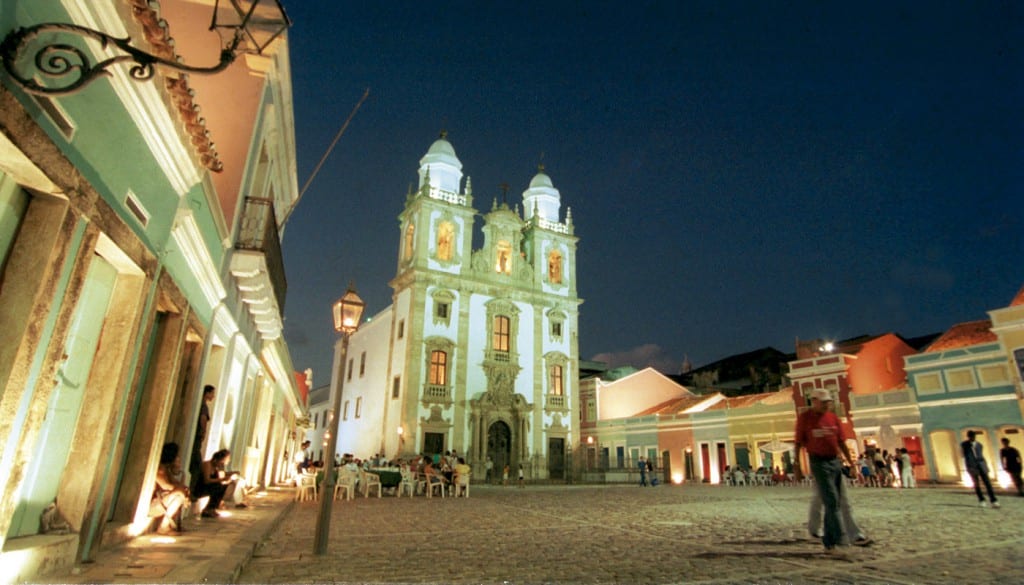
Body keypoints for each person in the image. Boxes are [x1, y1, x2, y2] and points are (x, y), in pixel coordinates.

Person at [794, 388, 856, 555]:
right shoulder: (805, 419)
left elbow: (841, 442)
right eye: (823, 403)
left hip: (835, 461)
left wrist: (852, 464)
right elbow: (798, 443)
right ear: (813, 401)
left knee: (835, 501)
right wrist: (797, 466)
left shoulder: (833, 418)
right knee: (831, 500)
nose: (827, 405)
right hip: (818, 462)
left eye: (829, 402)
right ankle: (841, 540)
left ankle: (829, 541)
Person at [808, 474, 872, 546]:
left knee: (821, 498)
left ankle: (815, 531)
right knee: (828, 498)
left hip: (833, 466)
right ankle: (853, 535)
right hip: (823, 466)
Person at [194, 449, 247, 517]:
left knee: (223, 486)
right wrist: (222, 479)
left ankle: (212, 508)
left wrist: (231, 475)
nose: (221, 465)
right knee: (218, 487)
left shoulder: (217, 467)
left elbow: (222, 475)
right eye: (221, 462)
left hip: (210, 487)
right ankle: (208, 509)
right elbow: (207, 480)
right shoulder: (207, 464)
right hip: (201, 487)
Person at [152, 442, 189, 534]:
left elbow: (176, 483)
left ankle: (174, 524)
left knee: (182, 492)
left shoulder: (166, 469)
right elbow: (165, 485)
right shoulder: (160, 469)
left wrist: (185, 490)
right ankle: (163, 526)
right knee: (179, 494)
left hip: (163, 500)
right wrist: (181, 491)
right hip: (155, 504)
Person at [961, 430, 999, 508]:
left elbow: (981, 455)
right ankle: (982, 500)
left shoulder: (979, 445)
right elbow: (964, 455)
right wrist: (968, 467)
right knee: (976, 484)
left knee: (988, 484)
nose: (972, 437)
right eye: (971, 436)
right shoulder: (964, 445)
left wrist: (985, 466)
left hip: (981, 465)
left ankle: (993, 500)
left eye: (973, 436)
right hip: (972, 466)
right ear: (968, 436)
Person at [190, 385, 215, 480]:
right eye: (212, 393)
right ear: (207, 393)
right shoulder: (203, 406)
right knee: (196, 462)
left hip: (196, 436)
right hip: (197, 436)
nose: (213, 396)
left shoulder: (199, 403)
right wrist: (203, 432)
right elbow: (203, 419)